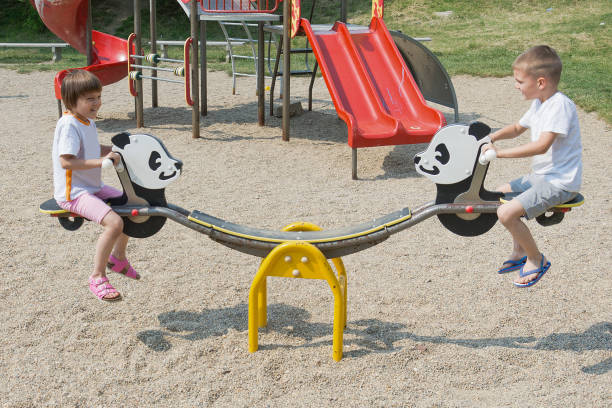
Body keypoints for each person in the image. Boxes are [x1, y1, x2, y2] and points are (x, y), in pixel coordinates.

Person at [481, 45, 582, 287]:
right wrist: (490, 138)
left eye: (519, 81)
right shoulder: (540, 103)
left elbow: (541, 146)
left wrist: (500, 154)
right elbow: (517, 128)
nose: (516, 85)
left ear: (540, 82)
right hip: (543, 176)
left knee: (505, 213)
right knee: (498, 193)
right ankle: (519, 251)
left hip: (560, 182)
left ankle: (536, 259)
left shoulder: (559, 106)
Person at [52, 70, 141, 301]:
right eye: (90, 99)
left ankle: (118, 258)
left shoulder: (86, 121)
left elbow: (91, 149)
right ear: (72, 101)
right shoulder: (69, 124)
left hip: (92, 187)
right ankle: (97, 276)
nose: (96, 103)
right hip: (73, 194)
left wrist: (117, 151)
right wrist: (102, 162)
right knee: (114, 223)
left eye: (98, 97)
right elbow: (66, 161)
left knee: (131, 204)